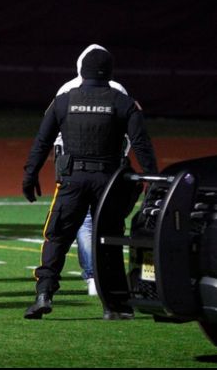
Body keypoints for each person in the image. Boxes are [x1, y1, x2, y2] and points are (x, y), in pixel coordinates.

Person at [22, 47, 158, 319]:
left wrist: (30, 175)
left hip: (71, 180)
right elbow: (141, 145)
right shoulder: (122, 102)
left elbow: (42, 141)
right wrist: (152, 179)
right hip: (108, 182)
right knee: (109, 240)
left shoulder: (63, 100)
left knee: (57, 237)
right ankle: (116, 306)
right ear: (110, 71)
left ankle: (44, 295)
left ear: (81, 69)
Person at [53, 44, 131, 297]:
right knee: (109, 223)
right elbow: (131, 131)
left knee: (81, 223)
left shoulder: (67, 89)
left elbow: (52, 130)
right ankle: (107, 277)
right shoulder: (117, 90)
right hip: (109, 167)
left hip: (73, 167)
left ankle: (92, 277)